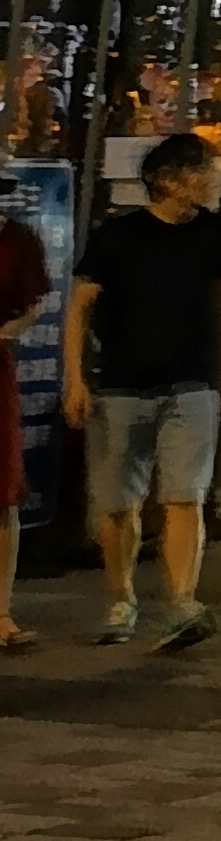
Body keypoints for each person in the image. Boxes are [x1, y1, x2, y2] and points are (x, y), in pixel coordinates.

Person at [62, 132, 221, 651]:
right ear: (166, 181)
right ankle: (121, 597)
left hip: (193, 384)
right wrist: (76, 379)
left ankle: (183, 602)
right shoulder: (118, 237)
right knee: (118, 503)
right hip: (120, 385)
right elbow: (79, 308)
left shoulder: (218, 234)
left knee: (186, 496)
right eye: (202, 172)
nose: (212, 181)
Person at [0, 198, 47, 651]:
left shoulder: (15, 240)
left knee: (3, 490)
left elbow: (33, 301)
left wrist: (11, 329)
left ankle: (0, 611)